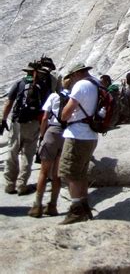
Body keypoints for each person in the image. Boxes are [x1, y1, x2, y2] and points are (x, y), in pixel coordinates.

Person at [58, 63, 100, 224]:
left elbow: (66, 113)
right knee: (81, 172)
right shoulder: (95, 83)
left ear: (76, 74)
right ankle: (84, 205)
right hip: (91, 134)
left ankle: (76, 211)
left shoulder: (81, 85)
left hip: (77, 134)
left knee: (70, 173)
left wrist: (63, 114)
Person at [1, 62, 50, 195]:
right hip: (33, 124)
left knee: (12, 152)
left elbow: (9, 103)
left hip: (18, 122)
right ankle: (22, 185)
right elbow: (46, 109)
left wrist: (3, 119)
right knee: (27, 155)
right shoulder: (44, 86)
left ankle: (10, 184)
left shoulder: (20, 83)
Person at [28, 78, 71, 218]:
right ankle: (52, 206)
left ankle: (37, 206)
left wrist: (41, 136)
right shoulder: (72, 97)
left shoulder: (54, 96)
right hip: (66, 134)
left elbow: (45, 117)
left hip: (52, 133)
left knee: (43, 172)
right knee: (57, 174)